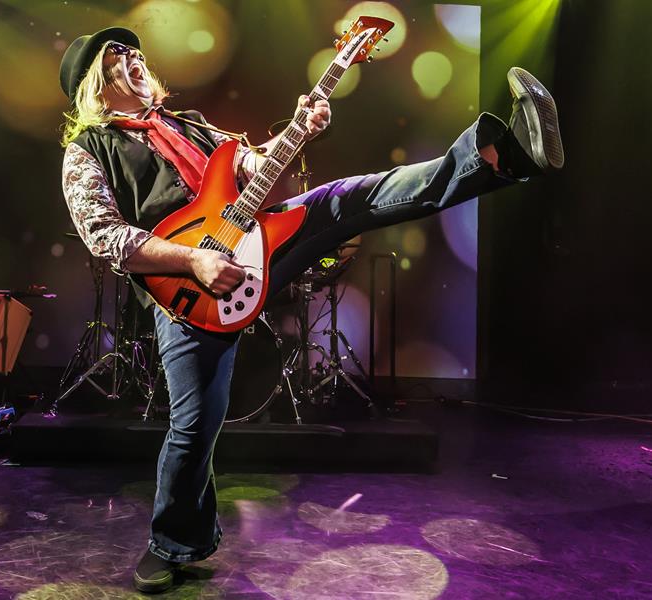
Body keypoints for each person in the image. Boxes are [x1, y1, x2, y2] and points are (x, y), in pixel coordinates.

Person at [58, 26, 563, 594]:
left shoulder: (190, 123)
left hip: (257, 240)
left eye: (134, 49)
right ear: (93, 83)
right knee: (195, 425)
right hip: (185, 292)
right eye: (116, 53)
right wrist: (193, 260)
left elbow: (254, 167)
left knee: (351, 196)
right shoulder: (88, 151)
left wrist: (300, 128)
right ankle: (173, 543)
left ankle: (503, 155)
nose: (133, 56)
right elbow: (105, 237)